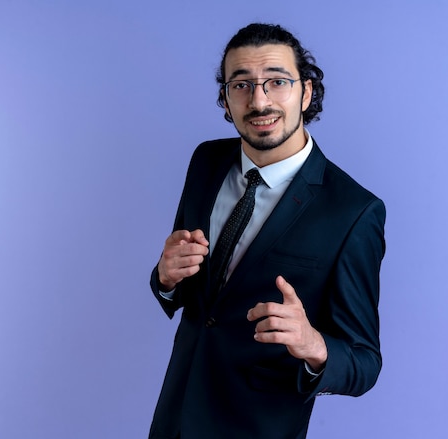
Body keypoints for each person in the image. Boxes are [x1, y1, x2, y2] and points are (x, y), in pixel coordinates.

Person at [149, 23, 386, 439]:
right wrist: (166, 277)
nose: (259, 101)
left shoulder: (353, 211)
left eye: (276, 81)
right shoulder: (205, 161)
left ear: (306, 92)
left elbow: (364, 364)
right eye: (241, 84)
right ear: (225, 97)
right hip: (175, 416)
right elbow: (195, 297)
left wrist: (314, 345)